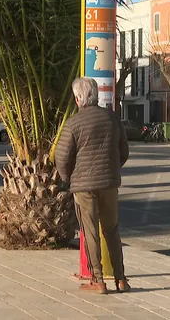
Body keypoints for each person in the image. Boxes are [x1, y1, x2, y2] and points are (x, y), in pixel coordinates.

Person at [55, 77, 130, 294]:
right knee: (112, 230)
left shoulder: (73, 123)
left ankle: (98, 280)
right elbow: (123, 151)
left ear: (78, 99)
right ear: (95, 96)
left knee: (90, 232)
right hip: (109, 184)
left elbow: (62, 157)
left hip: (83, 186)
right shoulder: (113, 119)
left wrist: (68, 177)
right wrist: (112, 169)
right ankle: (121, 279)